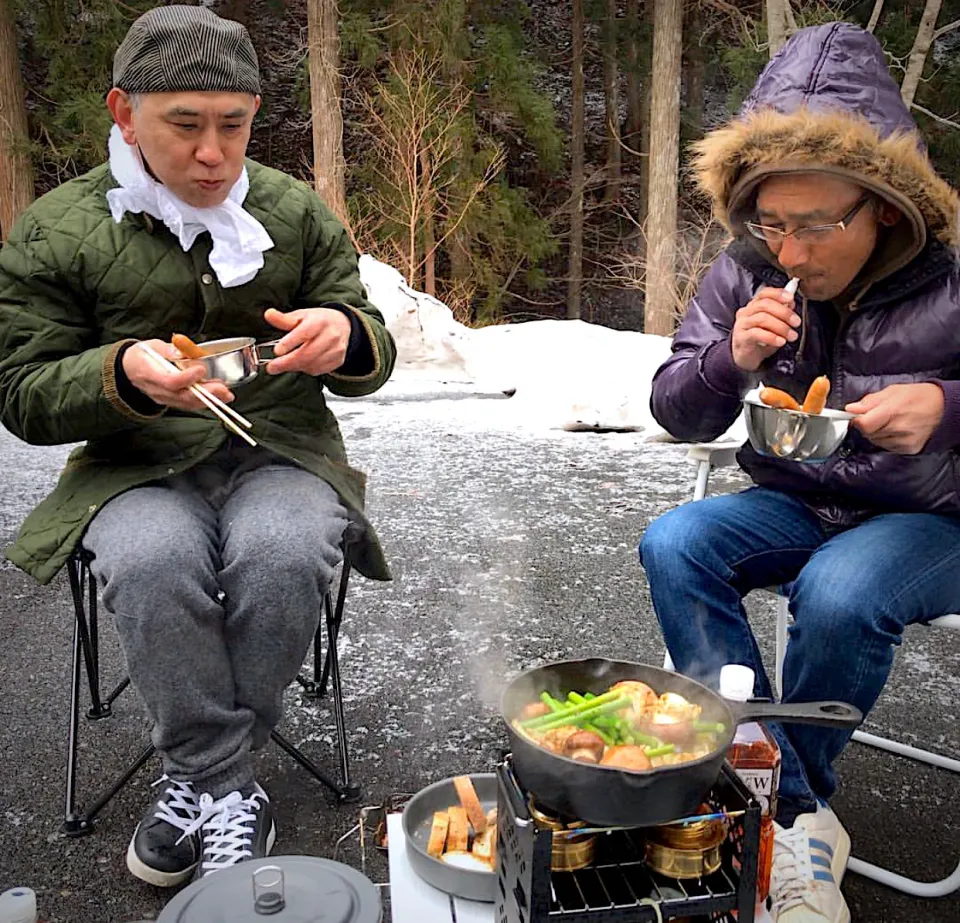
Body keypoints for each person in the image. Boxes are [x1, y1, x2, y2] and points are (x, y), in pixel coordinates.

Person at [0, 5, 396, 885]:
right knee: (149, 560)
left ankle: (194, 782)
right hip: (130, 462)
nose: (214, 153)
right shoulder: (59, 227)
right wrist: (118, 373)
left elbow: (369, 332)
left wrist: (347, 333)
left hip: (282, 447)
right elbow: (21, 393)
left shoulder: (291, 211)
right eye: (185, 126)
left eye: (235, 125)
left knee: (284, 548)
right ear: (123, 112)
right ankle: (225, 784)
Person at [638, 22, 959, 923]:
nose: (790, 252)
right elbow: (676, 408)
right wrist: (727, 360)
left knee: (843, 589)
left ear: (884, 206)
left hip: (929, 519)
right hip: (794, 501)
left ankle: (782, 809)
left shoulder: (953, 281)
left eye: (815, 225)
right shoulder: (744, 276)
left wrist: (948, 410)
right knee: (677, 540)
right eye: (771, 223)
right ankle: (781, 794)